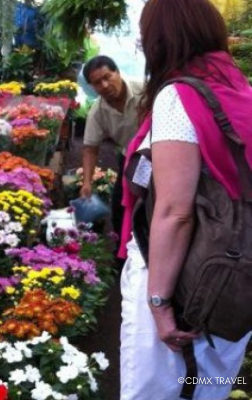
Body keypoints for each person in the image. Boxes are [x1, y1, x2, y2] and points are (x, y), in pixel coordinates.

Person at [118, 0, 252, 399]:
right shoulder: (242, 92)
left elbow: (175, 212)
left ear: (163, 39)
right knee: (211, 385)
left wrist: (158, 304)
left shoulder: (180, 97)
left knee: (154, 389)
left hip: (181, 276)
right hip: (234, 276)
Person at [80, 55, 144, 238]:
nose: (105, 86)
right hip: (130, 159)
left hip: (160, 155)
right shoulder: (97, 112)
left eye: (107, 77)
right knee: (120, 208)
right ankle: (121, 253)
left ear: (117, 72)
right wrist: (86, 182)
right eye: (97, 83)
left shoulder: (145, 91)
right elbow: (90, 148)